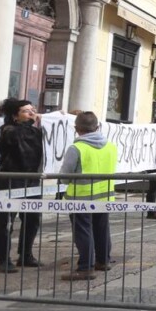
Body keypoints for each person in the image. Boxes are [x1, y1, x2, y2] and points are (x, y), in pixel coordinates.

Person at [59, 112, 118, 280]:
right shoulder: (111, 146)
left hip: (81, 198)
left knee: (83, 231)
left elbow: (65, 177)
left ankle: (85, 267)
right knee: (102, 229)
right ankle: (103, 261)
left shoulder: (76, 148)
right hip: (105, 196)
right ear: (97, 127)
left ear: (76, 129)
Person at [0, 100, 44, 271]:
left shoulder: (35, 131)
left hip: (32, 180)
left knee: (32, 219)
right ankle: (3, 258)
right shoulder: (8, 130)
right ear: (15, 116)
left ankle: (26, 254)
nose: (31, 113)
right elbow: (17, 137)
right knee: (6, 221)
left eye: (32, 109)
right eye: (26, 111)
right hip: (12, 180)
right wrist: (33, 122)